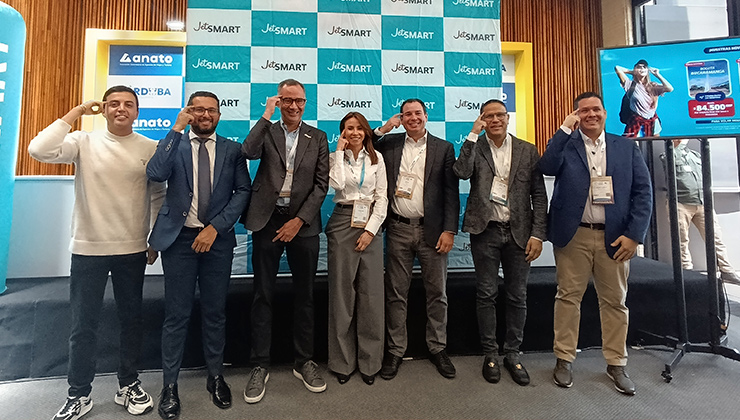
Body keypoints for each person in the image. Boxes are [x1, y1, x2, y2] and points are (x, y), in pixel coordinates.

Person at [28, 85, 163, 420]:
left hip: (132, 249)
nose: (121, 109)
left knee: (131, 321)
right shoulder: (82, 141)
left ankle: (128, 384)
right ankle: (79, 394)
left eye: (128, 104)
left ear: (137, 111)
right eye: (113, 104)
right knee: (83, 325)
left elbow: (158, 195)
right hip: (88, 250)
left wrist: (154, 239)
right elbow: (38, 149)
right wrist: (76, 112)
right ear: (103, 109)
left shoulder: (150, 147)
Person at [538, 92, 652, 396]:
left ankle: (616, 363)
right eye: (584, 110)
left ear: (604, 112)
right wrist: (564, 129)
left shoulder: (625, 147)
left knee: (614, 302)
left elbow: (643, 193)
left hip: (615, 236)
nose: (591, 114)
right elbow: (547, 166)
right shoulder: (567, 143)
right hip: (573, 235)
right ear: (577, 114)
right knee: (567, 298)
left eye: (596, 109)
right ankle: (564, 359)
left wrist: (634, 235)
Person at [147, 91, 251, 420]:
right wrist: (176, 128)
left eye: (211, 110)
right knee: (176, 315)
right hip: (179, 241)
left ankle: (216, 377)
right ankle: (169, 386)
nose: (205, 115)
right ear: (189, 112)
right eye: (199, 110)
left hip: (216, 241)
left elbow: (243, 191)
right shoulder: (173, 143)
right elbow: (155, 173)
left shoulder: (233, 150)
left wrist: (215, 228)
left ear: (219, 114)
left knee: (214, 312)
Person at [241, 79, 329, 402]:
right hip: (267, 220)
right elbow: (247, 151)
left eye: (299, 101)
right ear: (279, 101)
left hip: (302, 224)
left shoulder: (317, 137)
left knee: (305, 296)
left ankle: (304, 361)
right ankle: (259, 365)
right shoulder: (267, 130)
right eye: (287, 100)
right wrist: (266, 114)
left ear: (305, 103)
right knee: (262, 295)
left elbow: (321, 185)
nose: (293, 106)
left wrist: (299, 220)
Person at [452, 99, 547, 386]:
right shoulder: (476, 146)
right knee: (486, 294)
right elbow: (461, 172)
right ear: (482, 119)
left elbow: (538, 195)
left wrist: (537, 234)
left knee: (517, 295)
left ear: (507, 118)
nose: (495, 120)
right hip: (486, 231)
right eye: (489, 116)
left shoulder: (527, 150)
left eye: (499, 115)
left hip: (520, 232)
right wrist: (472, 134)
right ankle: (491, 354)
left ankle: (513, 353)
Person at [373, 99, 460, 380]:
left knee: (437, 293)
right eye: (407, 114)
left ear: (426, 115)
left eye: (418, 113)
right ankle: (396, 350)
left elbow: (451, 192)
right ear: (401, 118)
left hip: (433, 231)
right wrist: (384, 129)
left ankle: (438, 348)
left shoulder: (444, 148)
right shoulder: (389, 144)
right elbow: (364, 145)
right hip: (398, 228)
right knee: (396, 293)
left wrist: (450, 230)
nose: (413, 118)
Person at [326, 112, 388, 386]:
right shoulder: (334, 157)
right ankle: (342, 362)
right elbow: (337, 184)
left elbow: (382, 197)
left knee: (371, 295)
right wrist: (340, 152)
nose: (354, 133)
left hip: (370, 222)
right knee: (342, 296)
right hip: (342, 221)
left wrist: (371, 230)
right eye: (349, 128)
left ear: (366, 132)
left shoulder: (377, 159)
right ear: (342, 132)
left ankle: (370, 362)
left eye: (359, 128)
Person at [660, 139, 740, 284]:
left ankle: (726, 270)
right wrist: (679, 145)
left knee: (715, 237)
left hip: (702, 203)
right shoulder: (668, 155)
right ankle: (687, 273)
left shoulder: (695, 155)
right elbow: (671, 162)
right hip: (680, 204)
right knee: (681, 241)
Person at [615, 59, 673, 137]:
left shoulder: (653, 86)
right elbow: (617, 68)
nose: (642, 68)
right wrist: (633, 72)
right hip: (636, 122)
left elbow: (669, 88)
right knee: (631, 143)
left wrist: (657, 75)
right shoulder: (630, 85)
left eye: (644, 67)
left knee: (655, 143)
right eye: (639, 67)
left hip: (652, 122)